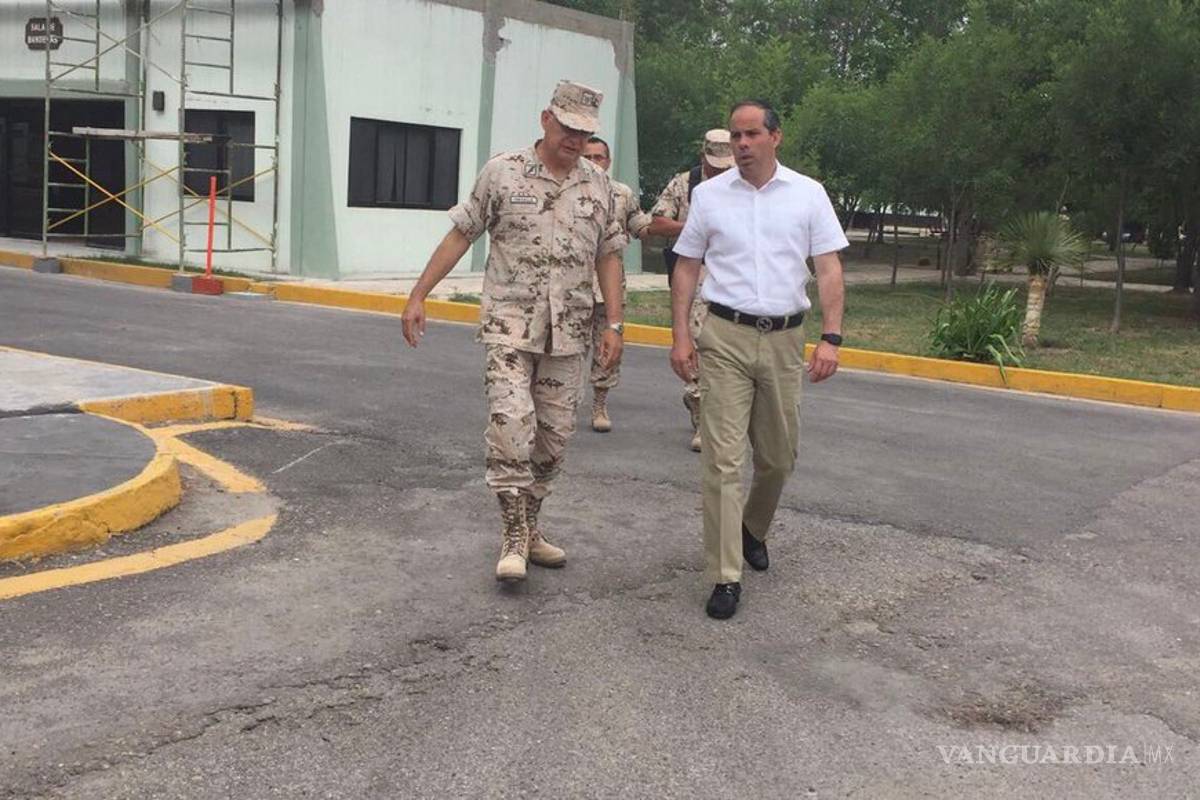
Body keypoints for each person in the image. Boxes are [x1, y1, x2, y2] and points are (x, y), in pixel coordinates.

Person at [402, 80, 627, 583]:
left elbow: (609, 256)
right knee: (511, 425)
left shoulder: (600, 187)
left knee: (554, 438)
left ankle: (531, 527)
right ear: (547, 119)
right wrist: (419, 294)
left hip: (569, 333)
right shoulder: (502, 173)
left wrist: (614, 322)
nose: (573, 139)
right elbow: (463, 232)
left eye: (584, 131)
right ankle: (511, 535)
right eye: (567, 128)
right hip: (509, 326)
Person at [668, 100, 847, 620]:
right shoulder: (709, 196)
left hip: (787, 338)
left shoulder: (808, 195)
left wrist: (831, 337)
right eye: (735, 136)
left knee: (778, 457)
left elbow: (829, 269)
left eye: (751, 135)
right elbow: (686, 268)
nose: (741, 145)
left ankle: (752, 528)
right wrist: (680, 336)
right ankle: (725, 575)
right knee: (722, 460)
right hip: (723, 334)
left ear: (775, 137)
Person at [646, 130, 733, 451]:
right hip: (695, 276)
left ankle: (715, 415)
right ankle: (701, 413)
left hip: (734, 280)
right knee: (697, 345)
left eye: (728, 166)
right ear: (703, 157)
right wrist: (698, 228)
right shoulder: (685, 184)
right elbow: (656, 224)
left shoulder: (745, 184)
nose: (722, 172)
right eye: (715, 166)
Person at [580, 136, 651, 433]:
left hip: (608, 288)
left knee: (605, 350)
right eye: (589, 157)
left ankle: (599, 403)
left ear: (608, 161)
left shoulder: (622, 194)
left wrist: (665, 223)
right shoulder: (569, 190)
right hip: (572, 286)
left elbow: (640, 225)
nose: (595, 162)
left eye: (600, 157)